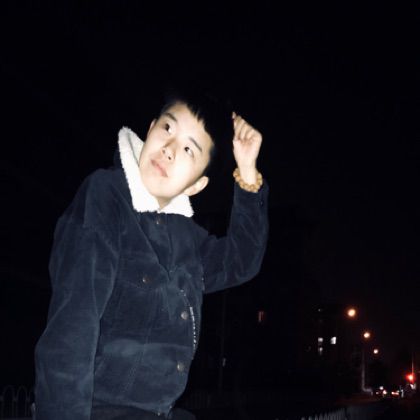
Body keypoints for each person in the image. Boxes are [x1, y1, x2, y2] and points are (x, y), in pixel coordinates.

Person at [34, 88, 269, 420]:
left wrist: (247, 173)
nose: (169, 149)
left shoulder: (186, 237)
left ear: (196, 186)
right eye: (167, 128)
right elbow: (72, 326)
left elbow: (241, 261)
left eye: (188, 149)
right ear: (150, 129)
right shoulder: (106, 197)